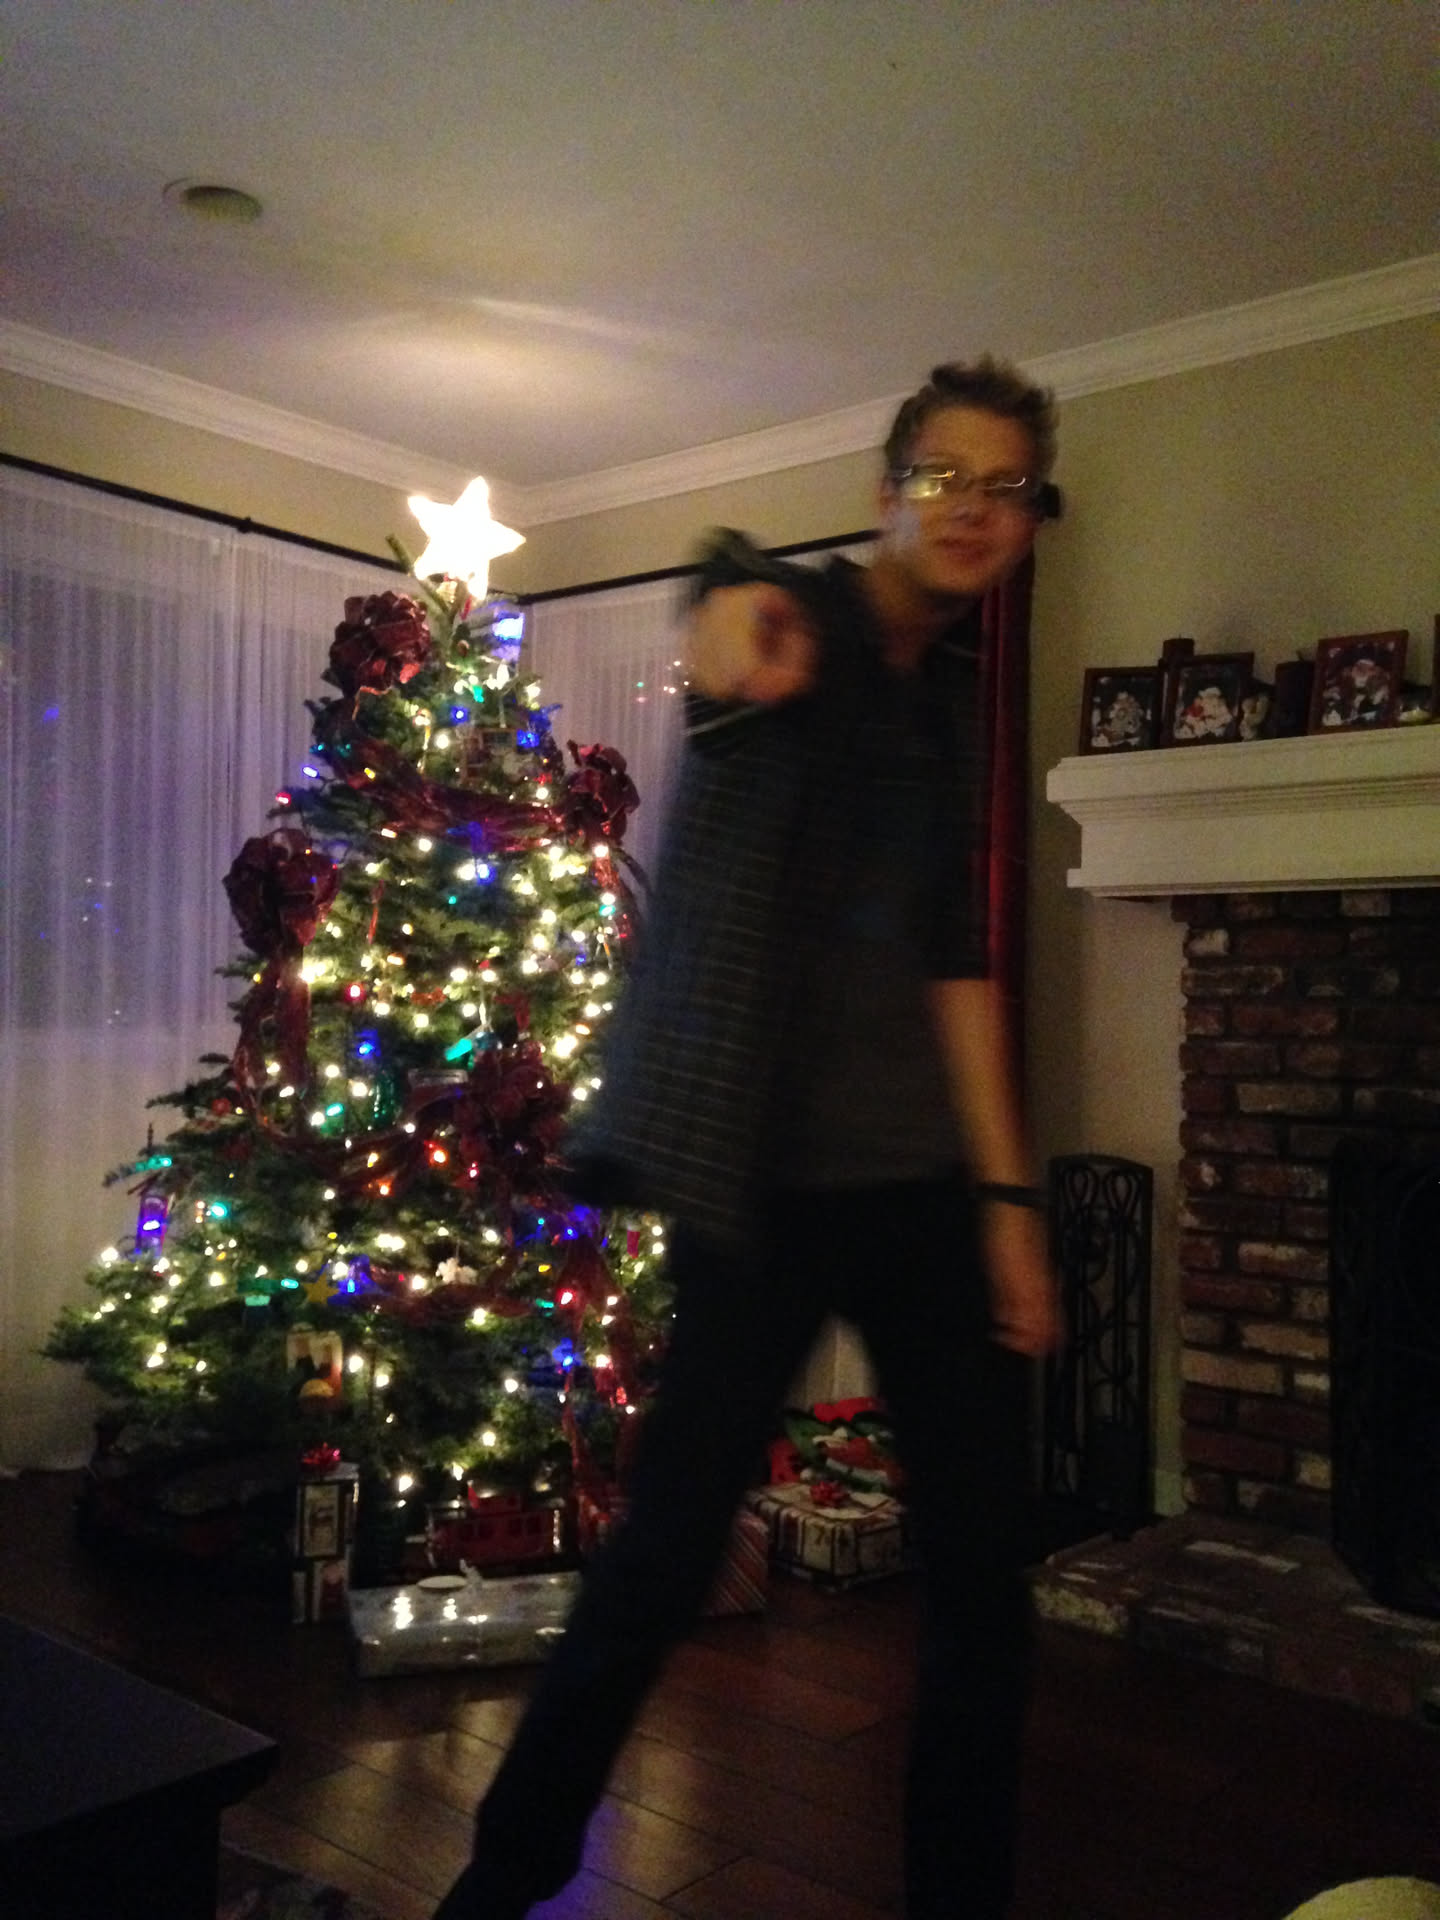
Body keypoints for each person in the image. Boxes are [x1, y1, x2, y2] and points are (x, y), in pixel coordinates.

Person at [434, 357, 1064, 1920]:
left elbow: (957, 962)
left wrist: (1008, 1200)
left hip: (925, 1192)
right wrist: (717, 600)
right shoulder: (798, 627)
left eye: (1005, 486)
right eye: (944, 475)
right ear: (888, 491)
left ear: (1027, 516)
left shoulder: (950, 701)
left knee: (986, 1586)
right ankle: (495, 1888)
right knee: (659, 1564)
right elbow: (733, 600)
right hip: (763, 1193)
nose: (973, 508)